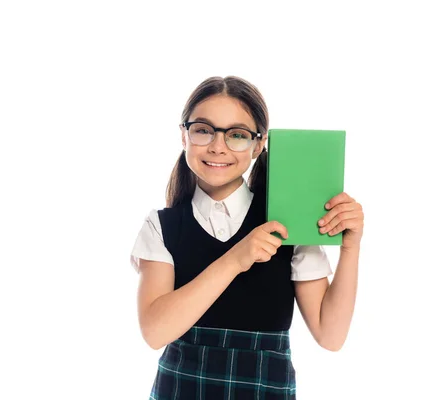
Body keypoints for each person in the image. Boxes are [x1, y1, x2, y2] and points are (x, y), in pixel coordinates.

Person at [129, 76, 364, 399]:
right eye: (203, 129)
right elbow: (155, 332)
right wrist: (235, 259)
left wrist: (350, 247)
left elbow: (331, 335)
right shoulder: (162, 226)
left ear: (258, 144)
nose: (218, 146)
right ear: (184, 136)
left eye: (237, 135)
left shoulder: (288, 222)